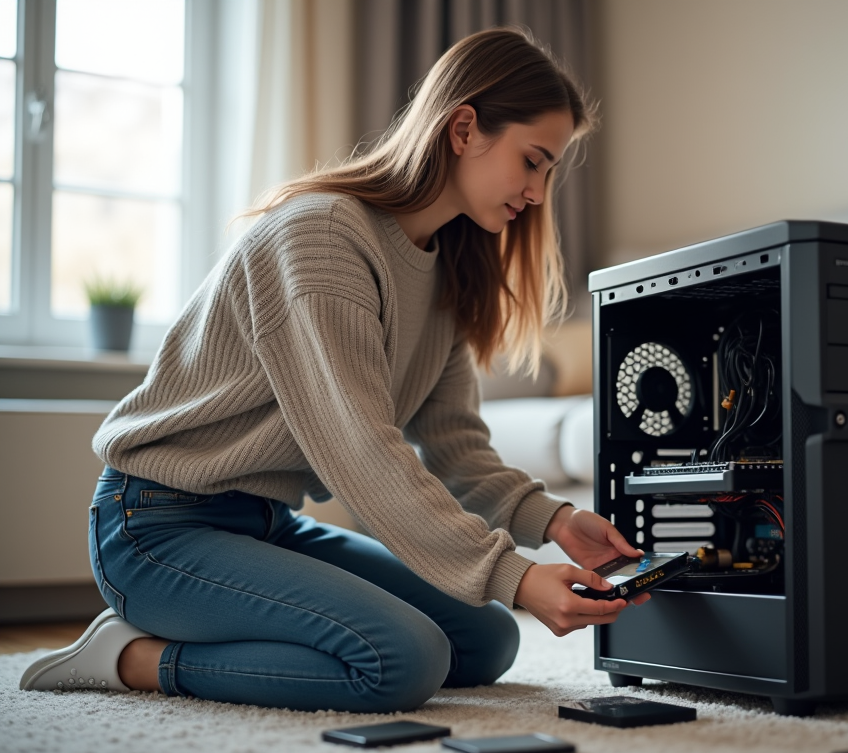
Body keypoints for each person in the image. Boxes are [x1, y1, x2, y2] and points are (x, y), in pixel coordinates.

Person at [20, 27, 647, 713]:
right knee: (403, 659)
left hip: (265, 523)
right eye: (533, 161)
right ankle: (133, 656)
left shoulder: (448, 271)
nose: (538, 192)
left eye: (549, 172)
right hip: (157, 526)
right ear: (464, 128)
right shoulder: (322, 236)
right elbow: (360, 449)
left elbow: (455, 446)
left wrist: (555, 521)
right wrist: (514, 574)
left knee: (485, 639)